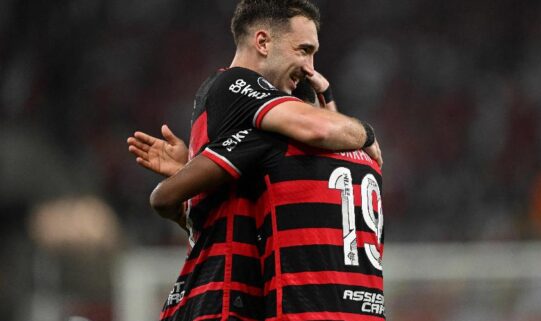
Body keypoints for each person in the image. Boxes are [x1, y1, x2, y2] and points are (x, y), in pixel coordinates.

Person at [127, 1, 381, 320]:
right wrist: (366, 133)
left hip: (237, 294)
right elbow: (318, 129)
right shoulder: (237, 84)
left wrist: (191, 172)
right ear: (262, 42)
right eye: (303, 50)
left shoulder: (254, 124)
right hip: (220, 296)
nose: (310, 68)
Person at [150, 79, 386, 320]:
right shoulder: (370, 160)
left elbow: (163, 197)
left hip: (306, 311)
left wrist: (191, 172)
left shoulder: (275, 145)